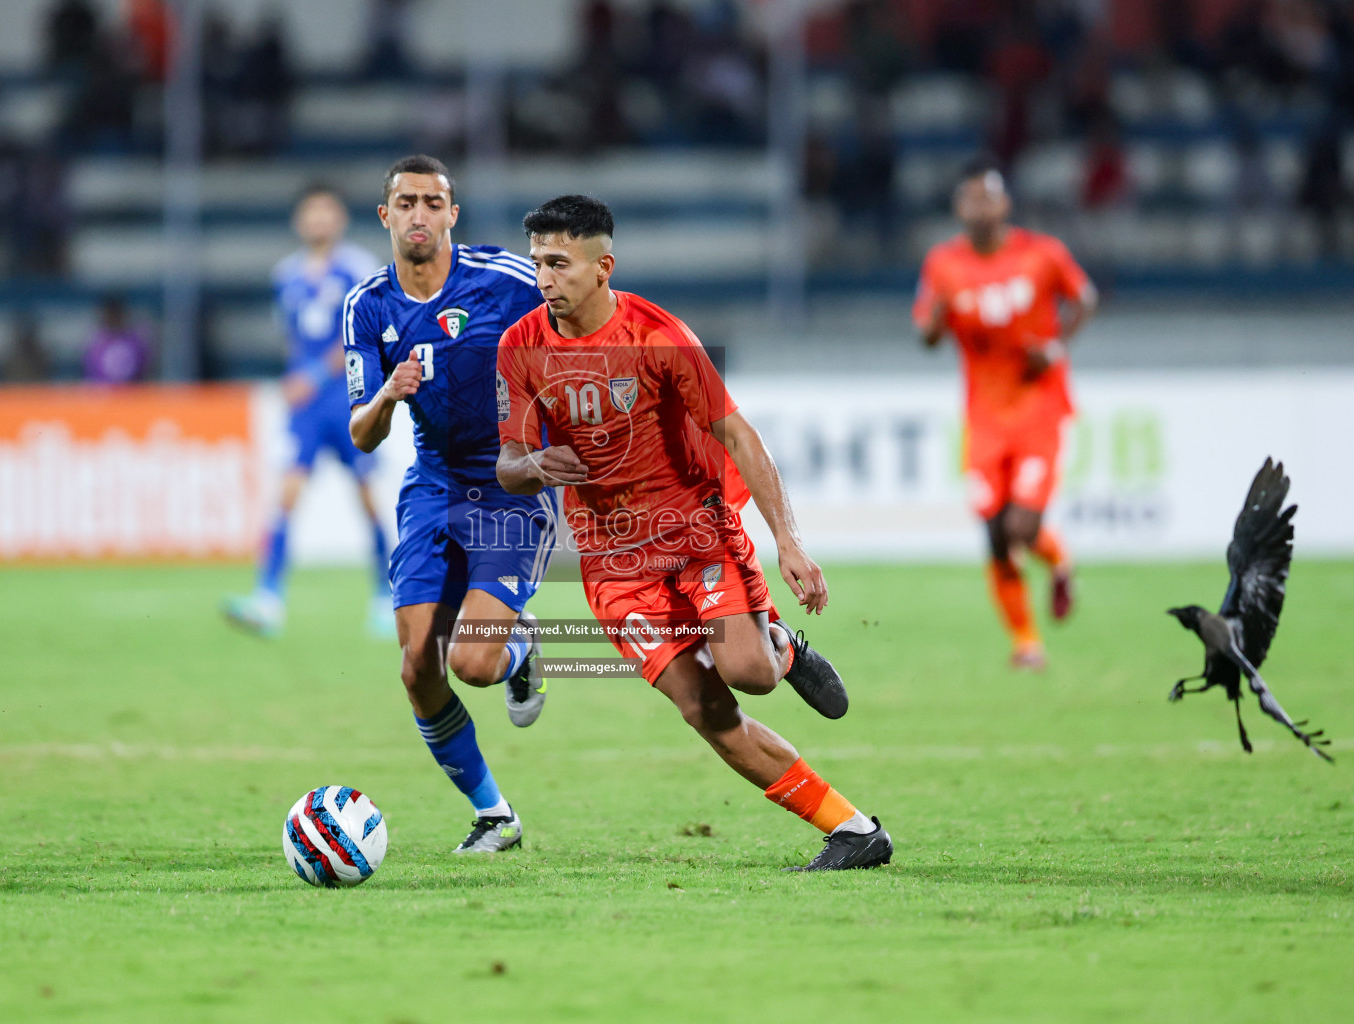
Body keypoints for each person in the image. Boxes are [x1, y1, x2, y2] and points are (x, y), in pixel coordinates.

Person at [496, 195, 892, 873]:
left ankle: (783, 652)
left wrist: (789, 542)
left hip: (694, 531)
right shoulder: (521, 347)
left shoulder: (658, 337)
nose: (544, 278)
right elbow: (507, 465)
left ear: (602, 267)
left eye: (558, 263)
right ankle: (854, 831)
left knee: (748, 675)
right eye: (537, 263)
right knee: (704, 708)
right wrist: (534, 466)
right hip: (612, 562)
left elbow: (736, 433)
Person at [345, 155, 555, 854]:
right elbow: (363, 435)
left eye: (432, 202)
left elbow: (586, 323)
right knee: (416, 668)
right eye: (405, 202)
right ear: (385, 216)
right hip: (433, 482)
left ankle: (519, 649)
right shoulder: (367, 307)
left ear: (452, 214)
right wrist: (387, 395)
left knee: (470, 662)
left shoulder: (506, 281)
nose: (418, 215)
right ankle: (495, 815)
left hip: (510, 479)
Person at [913, 158, 1097, 670]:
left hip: (1039, 407)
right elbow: (927, 335)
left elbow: (1086, 299)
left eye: (987, 197)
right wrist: (933, 322)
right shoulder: (943, 264)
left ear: (1004, 203)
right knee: (995, 533)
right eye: (969, 198)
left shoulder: (1041, 255)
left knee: (1020, 525)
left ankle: (1058, 561)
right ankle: (1027, 643)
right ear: (959, 207)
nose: (979, 207)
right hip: (985, 417)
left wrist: (1055, 347)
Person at [224, 182, 392, 639]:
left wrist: (313, 376)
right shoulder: (287, 275)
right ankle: (268, 599)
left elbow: (364, 335)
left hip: (348, 399)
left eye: (326, 212)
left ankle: (386, 596)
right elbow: (294, 337)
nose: (318, 221)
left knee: (367, 498)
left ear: (339, 219)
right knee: (287, 495)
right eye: (310, 213)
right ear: (300, 221)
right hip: (306, 407)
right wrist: (299, 377)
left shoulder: (359, 269)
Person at [83, 294, 149, 385]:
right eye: (110, 314)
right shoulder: (95, 343)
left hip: (131, 396)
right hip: (102, 396)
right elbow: (91, 377)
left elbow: (143, 375)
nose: (112, 318)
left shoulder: (135, 343)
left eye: (115, 314)